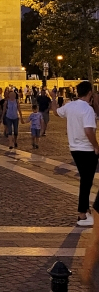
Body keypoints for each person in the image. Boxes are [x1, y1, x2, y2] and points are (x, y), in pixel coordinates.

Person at [52, 81, 98, 227]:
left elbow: (55, 112)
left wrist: (53, 98)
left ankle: (85, 210)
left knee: (86, 180)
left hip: (74, 148)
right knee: (86, 181)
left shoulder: (70, 106)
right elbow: (89, 131)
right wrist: (96, 146)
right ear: (90, 92)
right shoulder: (87, 110)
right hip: (87, 149)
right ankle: (82, 214)